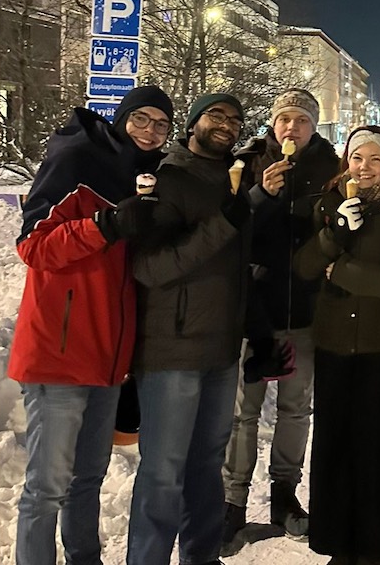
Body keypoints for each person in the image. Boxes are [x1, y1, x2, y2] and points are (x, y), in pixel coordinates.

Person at [9, 86, 173, 565]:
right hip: (58, 351)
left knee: (88, 477)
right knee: (46, 485)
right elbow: (34, 247)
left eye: (160, 124)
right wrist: (106, 225)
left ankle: (85, 557)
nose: (149, 131)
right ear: (120, 118)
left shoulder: (147, 177)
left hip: (108, 357)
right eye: (140, 119)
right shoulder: (76, 160)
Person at [126, 93, 250, 565]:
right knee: (162, 471)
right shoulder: (166, 179)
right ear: (194, 121)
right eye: (216, 115)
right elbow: (150, 268)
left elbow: (239, 269)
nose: (226, 124)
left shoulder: (233, 180)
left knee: (206, 465)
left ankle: (202, 556)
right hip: (171, 349)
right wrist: (225, 223)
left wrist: (253, 333)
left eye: (235, 119)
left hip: (220, 350)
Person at [294, 125, 380, 565]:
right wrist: (335, 233)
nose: (364, 167)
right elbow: (306, 266)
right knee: (333, 445)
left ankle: (377, 544)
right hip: (334, 342)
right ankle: (336, 541)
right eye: (356, 158)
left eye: (374, 159)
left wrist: (344, 272)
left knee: (378, 447)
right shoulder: (329, 204)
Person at [222, 88, 339, 542]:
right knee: (242, 411)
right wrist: (260, 194)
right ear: (273, 123)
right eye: (285, 119)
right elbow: (229, 227)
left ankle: (285, 494)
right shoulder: (245, 162)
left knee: (295, 408)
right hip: (254, 306)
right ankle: (233, 498)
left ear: (314, 126)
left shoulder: (331, 166)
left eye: (302, 120)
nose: (292, 128)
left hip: (308, 305)